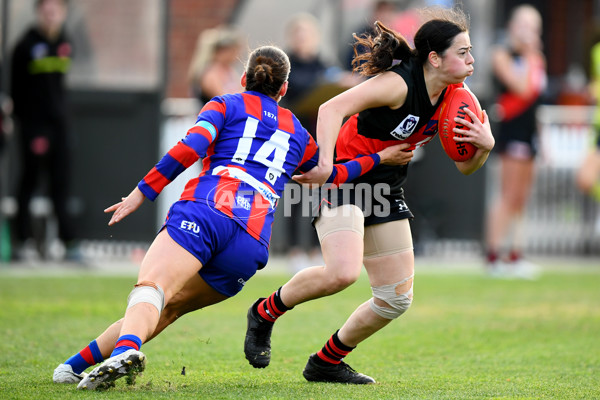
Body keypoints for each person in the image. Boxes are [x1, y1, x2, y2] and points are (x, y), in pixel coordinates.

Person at [52, 45, 411, 390]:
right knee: (170, 306)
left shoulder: (225, 104)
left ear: (243, 79)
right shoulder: (298, 134)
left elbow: (189, 148)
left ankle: (125, 351)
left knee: (152, 289)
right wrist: (381, 158)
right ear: (284, 89)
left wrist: (142, 192)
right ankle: (73, 366)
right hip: (250, 243)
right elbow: (330, 174)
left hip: (209, 210)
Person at [244, 7, 494, 384]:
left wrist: (485, 147)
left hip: (384, 187)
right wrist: (325, 162)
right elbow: (331, 108)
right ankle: (265, 312)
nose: (472, 60)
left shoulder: (456, 98)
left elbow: (464, 167)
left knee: (396, 298)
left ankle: (326, 362)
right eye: (463, 52)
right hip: (346, 178)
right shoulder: (399, 85)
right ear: (434, 58)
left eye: (470, 51)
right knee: (341, 274)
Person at [10, 0, 77, 261]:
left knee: (61, 182)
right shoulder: (25, 45)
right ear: (39, 12)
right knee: (30, 180)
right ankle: (23, 243)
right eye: (47, 11)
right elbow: (16, 91)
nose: (52, 16)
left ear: (63, 13)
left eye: (56, 11)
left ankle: (67, 244)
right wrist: (28, 126)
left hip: (59, 126)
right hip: (34, 128)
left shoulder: (65, 42)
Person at [483, 4, 546, 277]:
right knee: (507, 194)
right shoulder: (502, 53)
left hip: (529, 133)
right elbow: (522, 88)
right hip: (510, 132)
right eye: (524, 25)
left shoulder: (535, 58)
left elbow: (537, 100)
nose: (529, 31)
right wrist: (532, 56)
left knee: (521, 197)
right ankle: (494, 255)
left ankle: (515, 254)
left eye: (534, 26)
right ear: (512, 26)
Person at [187, 25, 244, 105]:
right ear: (223, 51)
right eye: (234, 51)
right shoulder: (210, 74)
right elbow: (224, 100)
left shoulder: (229, 70)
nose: (238, 55)